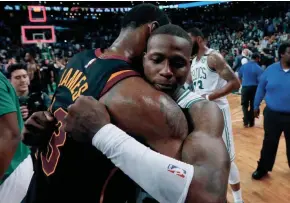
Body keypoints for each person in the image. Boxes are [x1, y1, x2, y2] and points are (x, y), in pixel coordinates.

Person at [22, 9, 229, 203]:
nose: (166, 70)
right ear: (152, 34)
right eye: (157, 57)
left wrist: (102, 133)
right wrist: (41, 129)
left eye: (177, 62)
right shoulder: (138, 95)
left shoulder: (79, 60)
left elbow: (207, 194)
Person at [187, 28, 243, 203]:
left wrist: (209, 96)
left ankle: (238, 200)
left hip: (218, 111)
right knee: (211, 156)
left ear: (198, 39)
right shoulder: (194, 61)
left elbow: (235, 82)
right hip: (203, 113)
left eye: (188, 40)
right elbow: (190, 83)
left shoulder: (212, 57)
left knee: (227, 158)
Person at [252, 42, 290, 180]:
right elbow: (261, 88)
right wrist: (255, 106)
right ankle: (263, 168)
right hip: (272, 114)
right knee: (269, 142)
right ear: (281, 54)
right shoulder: (270, 70)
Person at [0, 71, 33, 203]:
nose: (22, 80)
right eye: (18, 77)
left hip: (9, 174)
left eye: (24, 76)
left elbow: (10, 135)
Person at [239, 53, 263, 127]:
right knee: (253, 105)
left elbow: (239, 77)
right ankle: (251, 122)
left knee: (244, 105)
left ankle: (246, 121)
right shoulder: (259, 68)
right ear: (257, 58)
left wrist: (242, 84)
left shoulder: (243, 67)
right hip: (254, 88)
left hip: (245, 87)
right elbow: (261, 81)